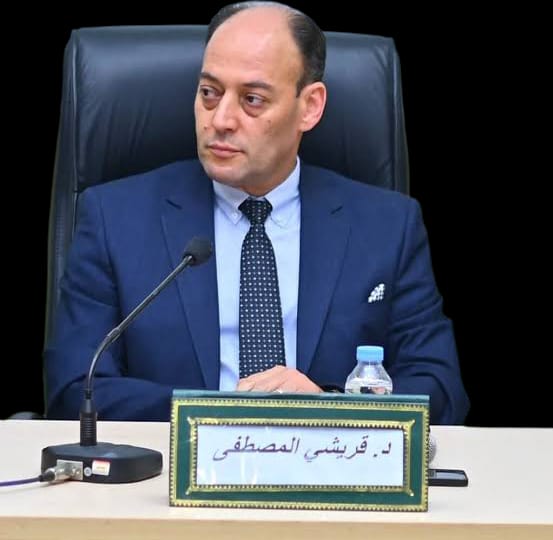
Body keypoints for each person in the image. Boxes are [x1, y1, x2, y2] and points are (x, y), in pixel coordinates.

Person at [44, 1, 469, 424]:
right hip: (171, 461)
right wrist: (223, 415)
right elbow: (75, 387)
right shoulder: (114, 219)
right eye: (209, 93)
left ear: (310, 107)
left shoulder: (387, 226)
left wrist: (328, 405)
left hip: (328, 460)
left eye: (252, 99)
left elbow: (441, 389)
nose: (221, 120)